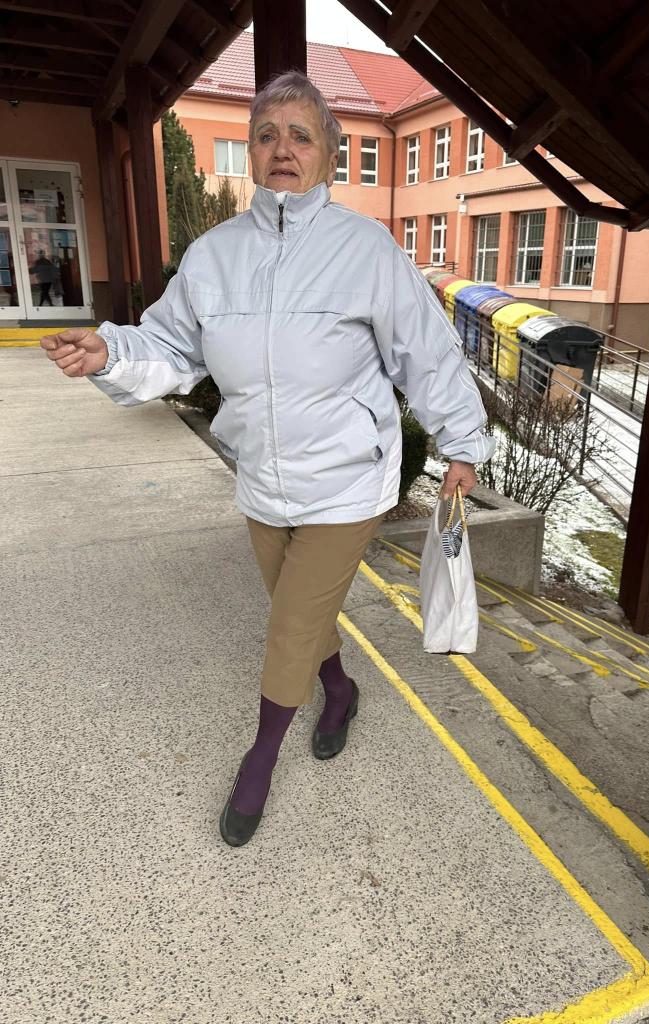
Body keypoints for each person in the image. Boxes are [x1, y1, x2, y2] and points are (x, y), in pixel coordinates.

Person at [40, 71, 496, 848]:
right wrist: (109, 352)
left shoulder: (366, 251)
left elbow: (427, 352)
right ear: (250, 153)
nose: (282, 148)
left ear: (329, 155)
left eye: (300, 135)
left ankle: (259, 761)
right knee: (300, 613)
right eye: (266, 134)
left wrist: (461, 443)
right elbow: (170, 346)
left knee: (288, 626)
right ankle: (339, 691)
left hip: (347, 480)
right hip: (260, 479)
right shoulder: (214, 256)